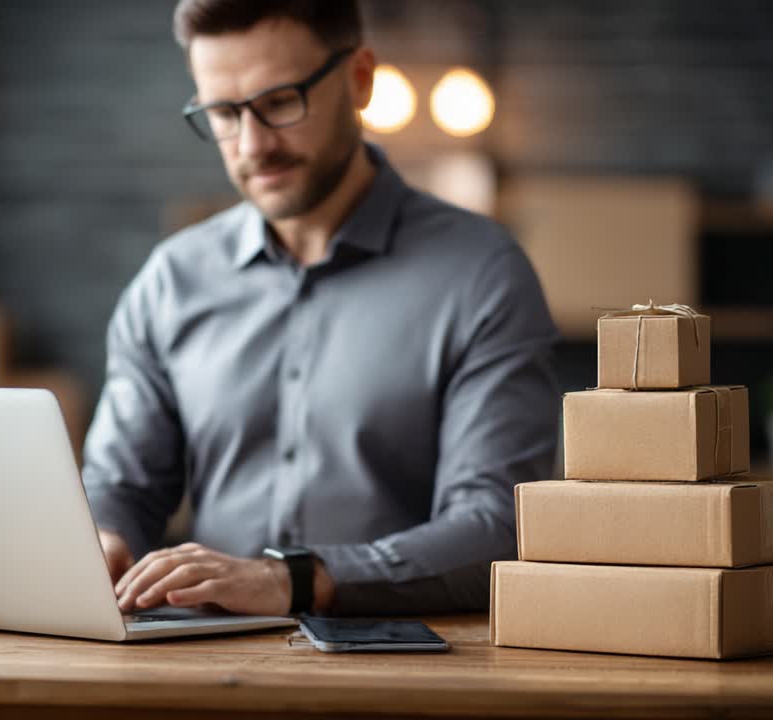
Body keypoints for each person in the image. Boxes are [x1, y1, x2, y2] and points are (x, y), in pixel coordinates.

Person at [82, 0, 559, 618]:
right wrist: (105, 541)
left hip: (410, 675)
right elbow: (122, 484)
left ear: (359, 80)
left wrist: (290, 580)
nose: (253, 145)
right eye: (224, 113)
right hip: (201, 667)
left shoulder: (483, 274)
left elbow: (496, 528)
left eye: (280, 102)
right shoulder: (171, 281)